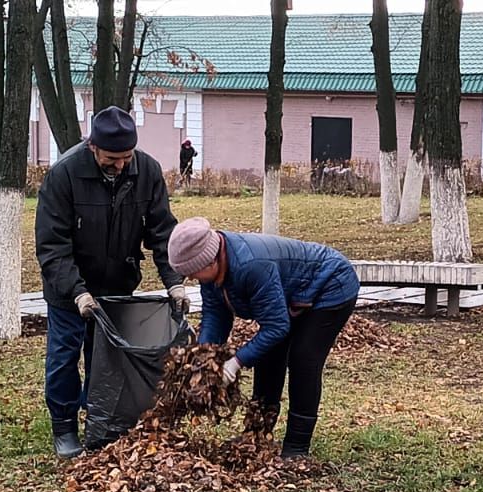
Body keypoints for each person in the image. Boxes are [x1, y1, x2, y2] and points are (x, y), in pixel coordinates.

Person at [35, 106, 191, 459]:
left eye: (126, 157)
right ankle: (64, 426)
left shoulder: (146, 171)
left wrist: (174, 282)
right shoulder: (64, 175)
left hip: (118, 287)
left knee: (105, 360)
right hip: (68, 292)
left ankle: (99, 420)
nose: (120, 165)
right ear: (93, 147)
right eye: (111, 158)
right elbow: (52, 246)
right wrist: (77, 293)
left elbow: (162, 232)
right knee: (63, 357)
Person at [167, 217, 360, 458]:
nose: (193, 278)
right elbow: (216, 316)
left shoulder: (251, 265)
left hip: (330, 285)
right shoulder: (214, 269)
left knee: (303, 360)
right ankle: (258, 435)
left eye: (193, 272)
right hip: (292, 297)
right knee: (269, 356)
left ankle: (297, 448)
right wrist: (205, 358)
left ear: (210, 259)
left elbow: (277, 326)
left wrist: (236, 362)